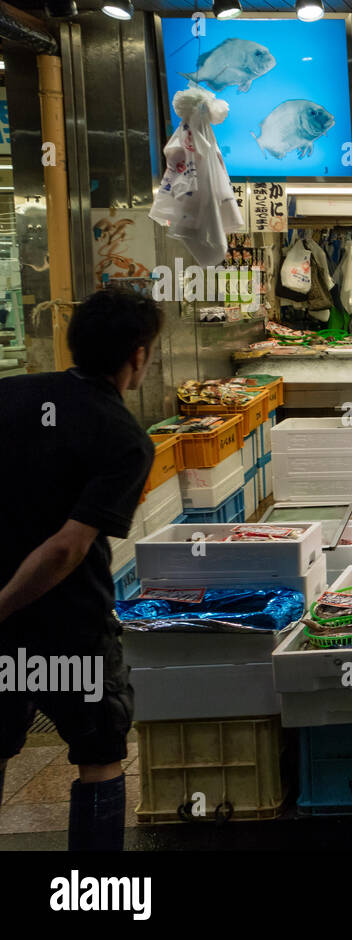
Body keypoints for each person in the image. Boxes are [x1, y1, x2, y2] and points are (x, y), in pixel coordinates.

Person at [0, 288, 162, 851]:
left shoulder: (10, 395)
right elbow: (66, 549)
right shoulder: (124, 438)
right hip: (71, 625)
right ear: (138, 356)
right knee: (98, 756)